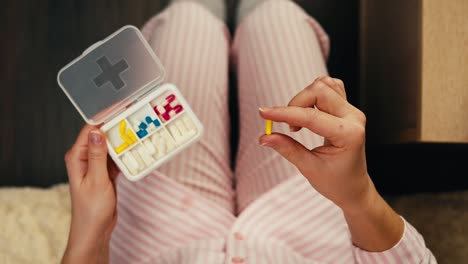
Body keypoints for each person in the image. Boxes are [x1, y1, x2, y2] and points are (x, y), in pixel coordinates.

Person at [61, 0, 437, 263]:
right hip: (311, 232)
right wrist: (358, 197)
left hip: (160, 235)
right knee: (278, 17)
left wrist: (88, 233)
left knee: (187, 21)